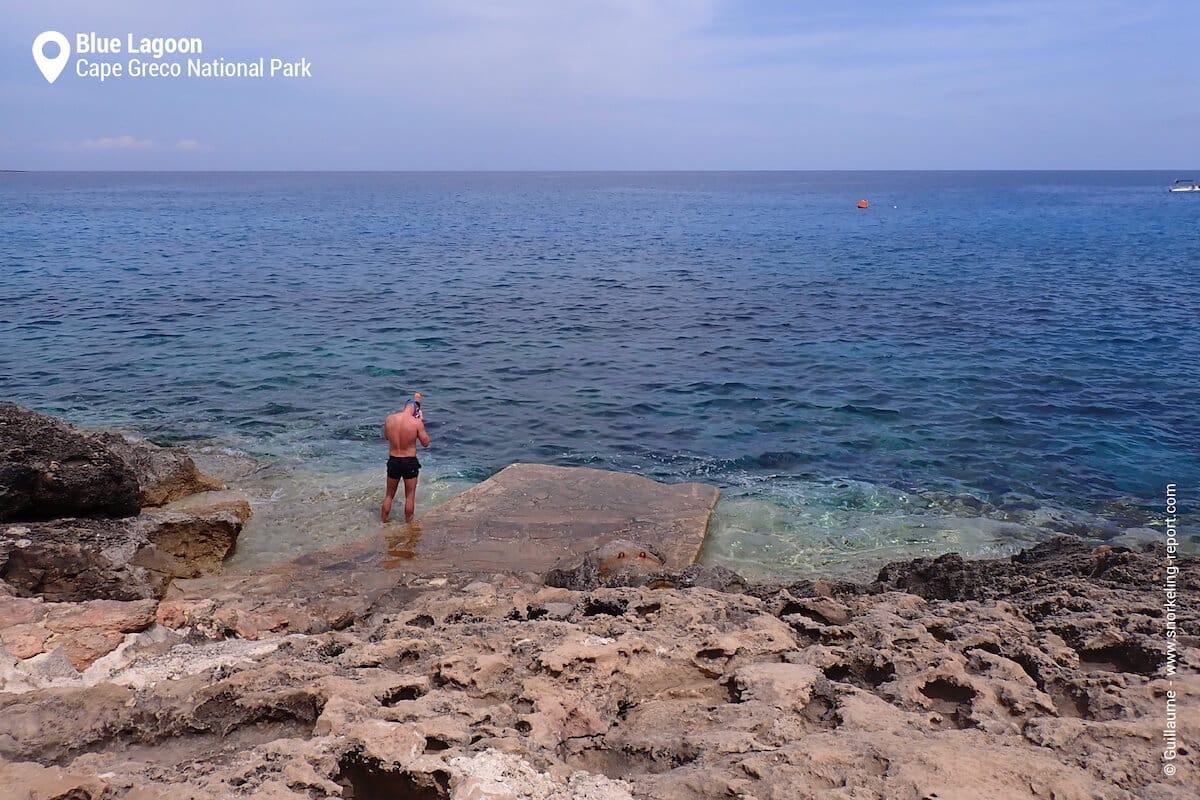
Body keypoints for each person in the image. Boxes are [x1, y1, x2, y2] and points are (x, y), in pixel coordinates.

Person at [381, 396, 430, 522]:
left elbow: (386, 437)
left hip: (394, 460)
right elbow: (426, 443)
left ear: (405, 407)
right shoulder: (416, 422)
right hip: (409, 462)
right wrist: (421, 422)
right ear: (416, 410)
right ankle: (409, 524)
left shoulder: (390, 419)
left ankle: (383, 522)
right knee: (410, 496)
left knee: (389, 495)